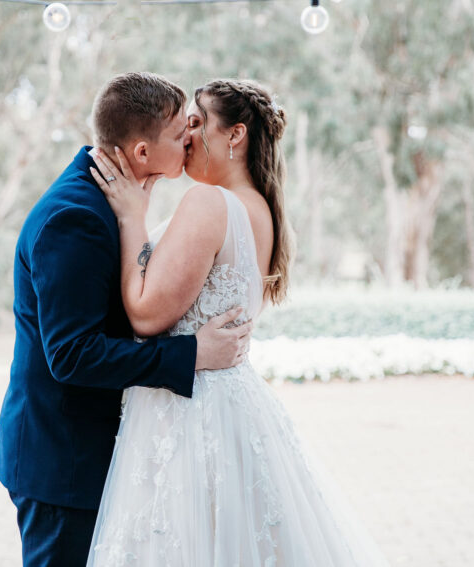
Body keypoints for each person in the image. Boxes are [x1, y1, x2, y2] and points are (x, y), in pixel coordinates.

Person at [85, 79, 392, 566]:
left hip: (189, 414)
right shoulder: (262, 212)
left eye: (199, 120)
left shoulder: (210, 204)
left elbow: (145, 314)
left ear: (236, 136)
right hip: (232, 406)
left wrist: (131, 218)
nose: (187, 133)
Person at [0, 72, 253, 567]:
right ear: (140, 153)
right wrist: (192, 353)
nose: (191, 140)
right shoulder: (77, 217)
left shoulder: (117, 196)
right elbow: (72, 355)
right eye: (181, 134)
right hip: (63, 462)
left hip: (91, 452)